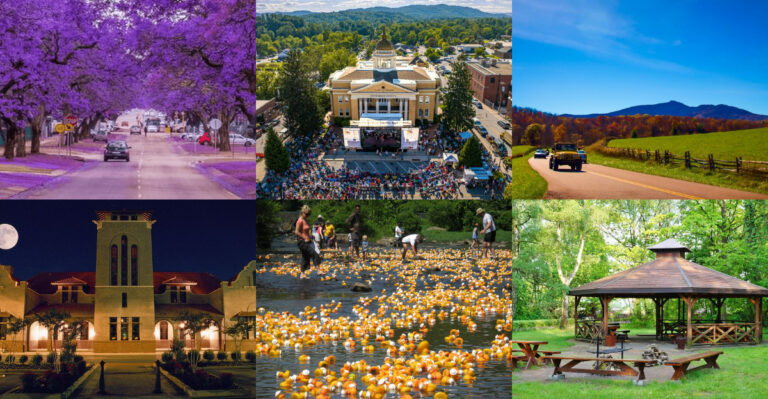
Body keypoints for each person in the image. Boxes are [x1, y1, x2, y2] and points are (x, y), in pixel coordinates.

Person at [295, 205, 321, 279]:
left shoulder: (306, 220)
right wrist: (304, 238)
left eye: (308, 214)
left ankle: (302, 274)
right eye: (306, 214)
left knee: (305, 257)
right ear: (302, 212)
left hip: (308, 241)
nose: (307, 215)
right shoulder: (299, 221)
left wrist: (310, 237)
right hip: (302, 242)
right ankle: (318, 270)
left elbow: (306, 231)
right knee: (314, 253)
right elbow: (296, 232)